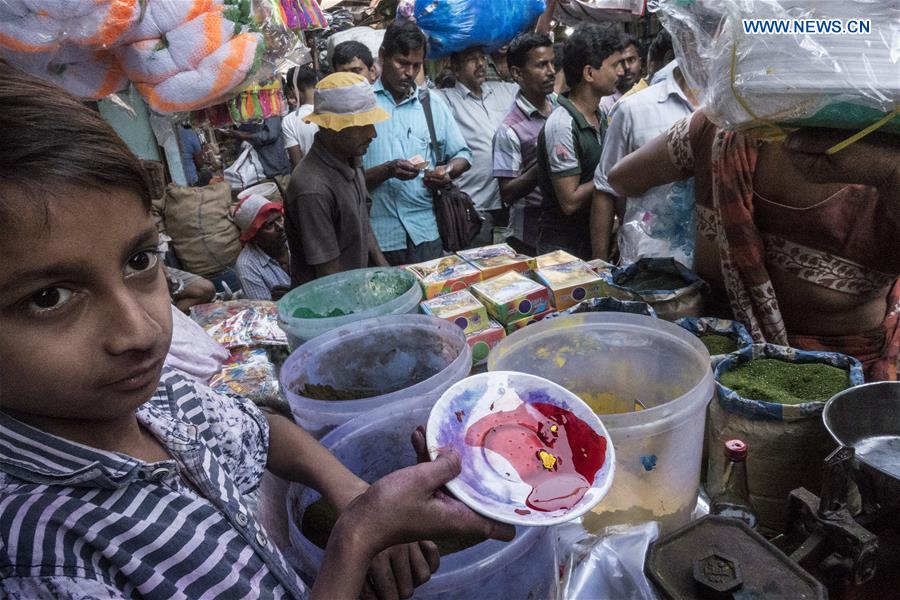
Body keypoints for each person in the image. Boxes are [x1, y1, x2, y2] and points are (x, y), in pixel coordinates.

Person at [0, 61, 514, 599]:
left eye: (139, 260)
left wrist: (353, 493)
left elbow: (263, 430)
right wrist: (358, 537)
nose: (140, 331)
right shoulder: (42, 560)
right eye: (48, 298)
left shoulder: (160, 403)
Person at [608, 112, 900, 381]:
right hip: (733, 375)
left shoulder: (718, 128)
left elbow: (621, 178)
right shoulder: (718, 126)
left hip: (738, 377)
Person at [363, 20, 471, 265]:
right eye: (402, 63)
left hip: (426, 233)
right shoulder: (363, 105)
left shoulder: (431, 103)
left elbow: (463, 154)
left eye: (416, 65)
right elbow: (347, 180)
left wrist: (447, 171)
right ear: (382, 57)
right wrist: (386, 171)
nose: (409, 73)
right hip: (379, 238)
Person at [286, 72, 391, 284]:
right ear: (331, 127)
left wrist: (388, 271)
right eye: (361, 126)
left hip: (355, 289)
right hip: (331, 303)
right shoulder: (312, 188)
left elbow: (363, 223)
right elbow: (330, 277)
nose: (373, 133)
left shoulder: (352, 158)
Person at [592, 62, 700, 264]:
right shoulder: (633, 109)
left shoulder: (736, 111)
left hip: (715, 267)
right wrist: (600, 264)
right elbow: (606, 187)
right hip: (648, 263)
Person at [535, 23, 624, 259]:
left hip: (590, 241)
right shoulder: (562, 125)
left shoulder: (601, 116)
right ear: (589, 73)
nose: (621, 72)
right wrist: (617, 173)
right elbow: (570, 201)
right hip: (563, 251)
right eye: (614, 65)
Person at [439, 46, 518, 247]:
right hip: (476, 206)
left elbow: (531, 80)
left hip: (513, 200)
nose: (480, 63)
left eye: (482, 57)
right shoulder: (446, 99)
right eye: (471, 59)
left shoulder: (504, 91)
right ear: (455, 68)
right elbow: (420, 92)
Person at [492, 32, 557, 251]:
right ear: (517, 73)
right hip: (529, 238)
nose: (551, 72)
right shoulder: (508, 130)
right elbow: (508, 193)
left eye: (552, 63)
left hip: (565, 229)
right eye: (541, 65)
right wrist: (546, 161)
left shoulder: (562, 108)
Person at [234, 194, 292, 300]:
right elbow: (265, 311)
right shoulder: (247, 266)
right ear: (254, 236)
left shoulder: (294, 237)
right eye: (269, 225)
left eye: (279, 218)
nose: (280, 227)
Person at [224, 116, 292, 179]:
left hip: (276, 169)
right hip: (260, 171)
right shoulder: (247, 116)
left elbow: (271, 135)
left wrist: (245, 136)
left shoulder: (271, 112)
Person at [282, 66, 319, 169]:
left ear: (293, 89)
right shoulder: (332, 107)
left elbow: (298, 163)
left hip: (313, 178)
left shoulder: (289, 121)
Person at [600, 34, 641, 117]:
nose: (627, 67)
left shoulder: (647, 94)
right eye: (620, 62)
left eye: (631, 60)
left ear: (640, 62)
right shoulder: (604, 105)